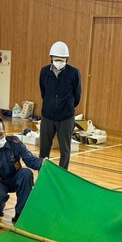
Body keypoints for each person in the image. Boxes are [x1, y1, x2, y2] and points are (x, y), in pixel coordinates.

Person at [38, 41, 82, 170]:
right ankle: (43, 175)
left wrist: (68, 107)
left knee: (65, 150)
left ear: (66, 59)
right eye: (56, 59)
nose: (59, 62)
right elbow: (43, 91)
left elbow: (77, 94)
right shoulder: (44, 71)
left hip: (66, 117)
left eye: (62, 59)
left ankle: (62, 176)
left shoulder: (74, 73)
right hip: (47, 116)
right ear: (51, 58)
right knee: (44, 149)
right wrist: (50, 104)